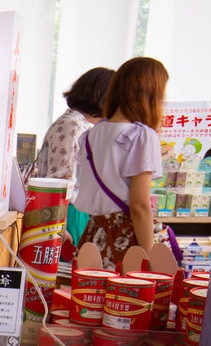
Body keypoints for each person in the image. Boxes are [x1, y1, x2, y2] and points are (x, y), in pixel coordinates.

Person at [73, 57, 168, 271]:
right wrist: (150, 258)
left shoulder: (91, 134)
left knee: (90, 299)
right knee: (125, 301)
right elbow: (139, 206)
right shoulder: (142, 136)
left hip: (92, 235)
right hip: (125, 239)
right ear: (150, 94)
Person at [34, 67, 115, 249]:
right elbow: (61, 178)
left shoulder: (77, 123)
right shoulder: (73, 126)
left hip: (70, 210)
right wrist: (59, 225)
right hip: (68, 212)